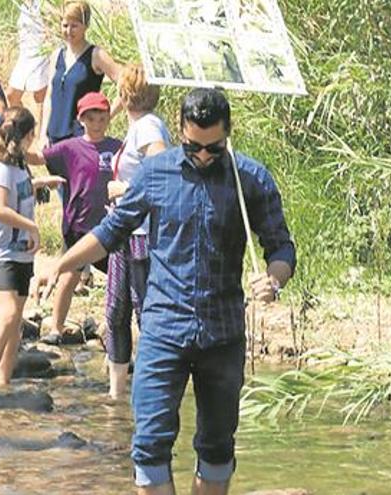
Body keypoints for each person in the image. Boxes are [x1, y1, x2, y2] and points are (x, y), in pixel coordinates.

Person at [44, 88, 297, 494]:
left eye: (213, 149)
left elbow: (281, 245)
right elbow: (113, 230)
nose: (201, 156)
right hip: (164, 328)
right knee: (148, 445)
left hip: (223, 332)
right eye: (193, 146)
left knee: (216, 447)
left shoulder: (249, 178)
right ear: (180, 130)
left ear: (228, 134)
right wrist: (61, 264)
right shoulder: (155, 172)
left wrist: (274, 278)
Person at [0, 107, 63, 393]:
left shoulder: (19, 164)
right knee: (8, 316)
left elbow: (17, 190)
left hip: (20, 251)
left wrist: (39, 183)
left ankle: (4, 381)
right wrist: (33, 227)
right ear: (27, 135)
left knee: (16, 320)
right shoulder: (1, 166)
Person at [25, 92, 120, 345]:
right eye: (91, 118)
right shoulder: (70, 147)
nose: (97, 123)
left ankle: (112, 328)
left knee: (117, 277)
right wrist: (15, 146)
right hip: (77, 223)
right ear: (81, 120)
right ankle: (55, 327)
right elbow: (38, 158)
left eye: (102, 118)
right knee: (69, 273)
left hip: (109, 226)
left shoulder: (117, 147)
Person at [101, 64, 169, 399]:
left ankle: (151, 386)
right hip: (125, 231)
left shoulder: (148, 127)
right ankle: (117, 393)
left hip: (141, 234)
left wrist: (124, 189)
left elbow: (163, 170)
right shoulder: (139, 126)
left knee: (143, 309)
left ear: (124, 95)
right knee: (116, 309)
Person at [42, 0, 122, 145]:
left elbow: (127, 84)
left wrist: (105, 118)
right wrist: (42, 134)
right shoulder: (57, 55)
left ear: (85, 26)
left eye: (74, 26)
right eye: (65, 25)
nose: (68, 31)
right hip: (53, 137)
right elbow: (49, 96)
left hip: (80, 138)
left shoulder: (96, 55)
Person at [6, 0, 49, 122]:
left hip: (41, 54)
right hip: (25, 55)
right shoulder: (24, 6)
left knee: (40, 96)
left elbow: (51, 27)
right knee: (11, 94)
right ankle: (26, 124)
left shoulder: (44, 4)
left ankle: (40, 135)